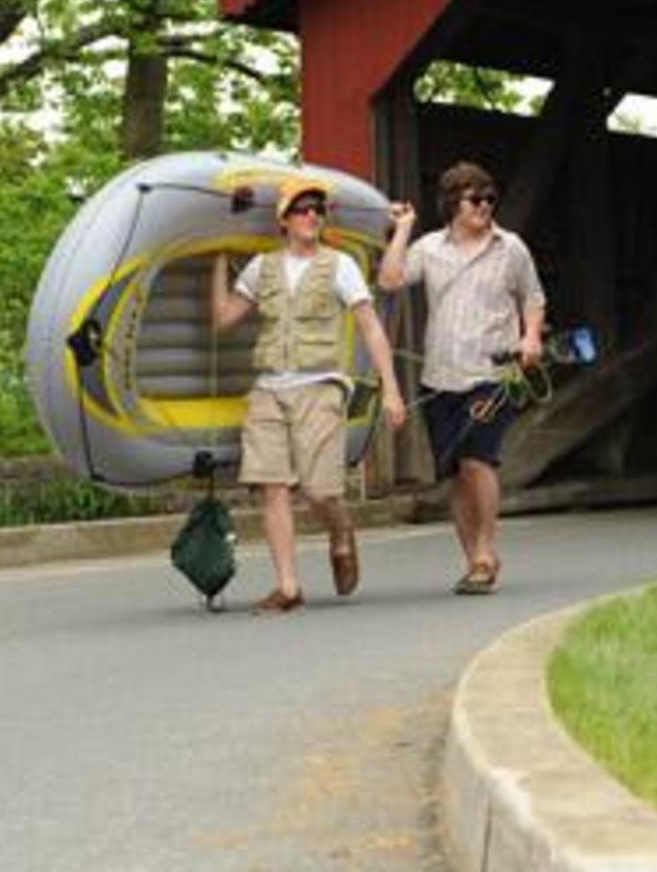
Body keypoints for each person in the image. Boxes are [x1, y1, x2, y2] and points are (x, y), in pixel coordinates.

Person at [212, 173, 405, 613]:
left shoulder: (340, 265)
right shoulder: (262, 267)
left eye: (319, 209)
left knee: (320, 491)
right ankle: (288, 586)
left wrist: (390, 390)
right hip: (268, 389)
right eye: (304, 209)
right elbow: (223, 318)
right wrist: (219, 260)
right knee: (273, 486)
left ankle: (340, 531)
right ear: (284, 219)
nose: (313, 216)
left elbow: (371, 328)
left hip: (320, 387)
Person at [378, 161, 545, 594]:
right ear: (453, 203)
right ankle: (474, 560)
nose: (485, 206)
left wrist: (530, 338)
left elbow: (533, 297)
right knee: (454, 472)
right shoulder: (430, 248)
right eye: (476, 199)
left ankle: (487, 549)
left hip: (493, 372)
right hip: (439, 376)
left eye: (490, 199)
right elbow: (391, 279)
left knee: (478, 459)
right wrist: (402, 229)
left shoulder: (511, 248)